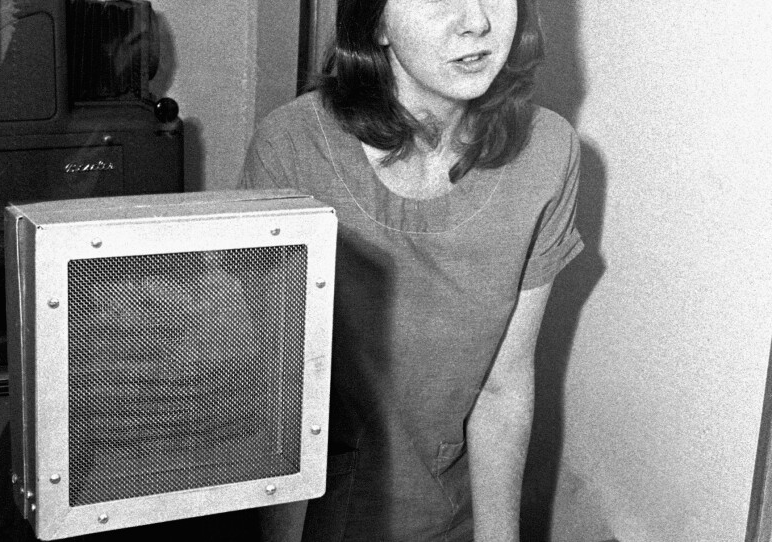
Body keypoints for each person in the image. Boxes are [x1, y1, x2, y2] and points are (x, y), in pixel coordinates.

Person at [241, 0, 583, 540]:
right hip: (318, 516)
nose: (477, 21)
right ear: (375, 21)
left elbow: (503, 385)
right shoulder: (291, 148)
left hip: (447, 516)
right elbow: (270, 402)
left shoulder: (548, 151)